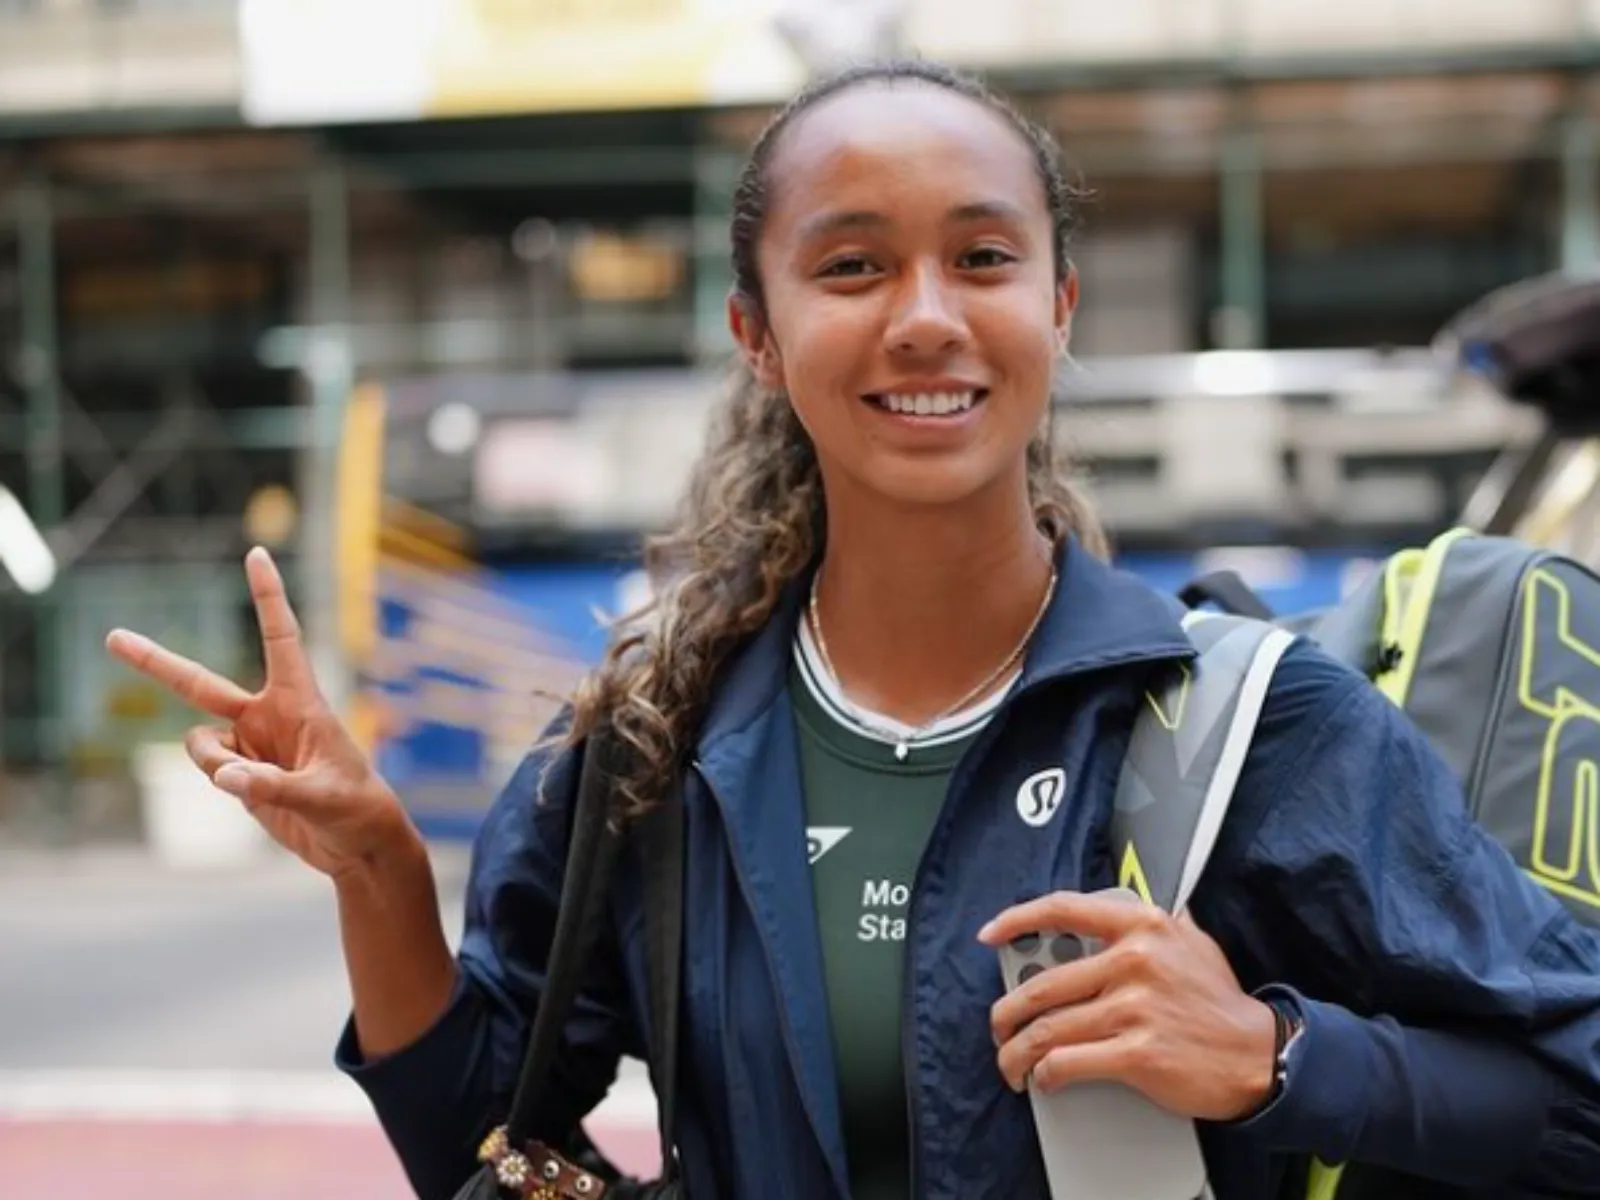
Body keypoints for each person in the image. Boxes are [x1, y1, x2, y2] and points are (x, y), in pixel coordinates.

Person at [106, 59, 1600, 1200]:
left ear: (1060, 302)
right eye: (853, 265)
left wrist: (1280, 1060)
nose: (927, 316)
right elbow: (485, 1150)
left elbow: (1571, 1094)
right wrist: (378, 876)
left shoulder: (1256, 729)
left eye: (984, 257)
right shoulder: (651, 751)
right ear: (757, 332)